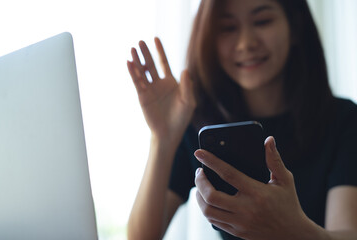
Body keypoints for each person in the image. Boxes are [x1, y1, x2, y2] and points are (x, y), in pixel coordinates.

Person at [126, 0, 357, 239]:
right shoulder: (201, 127)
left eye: (262, 21)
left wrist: (291, 227)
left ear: (295, 26)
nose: (246, 43)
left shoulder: (343, 121)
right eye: (228, 27)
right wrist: (162, 139)